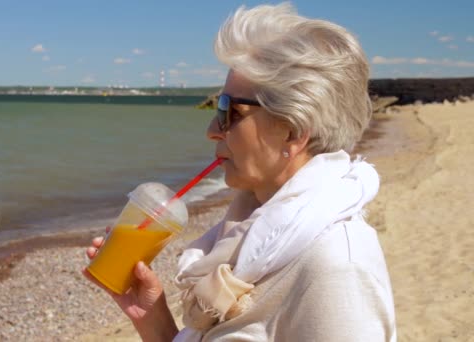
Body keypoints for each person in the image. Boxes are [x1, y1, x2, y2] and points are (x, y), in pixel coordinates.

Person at [84, 3, 396, 341]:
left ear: (292, 130)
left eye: (228, 111)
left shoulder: (336, 268)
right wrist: (151, 317)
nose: (212, 129)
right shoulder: (251, 233)